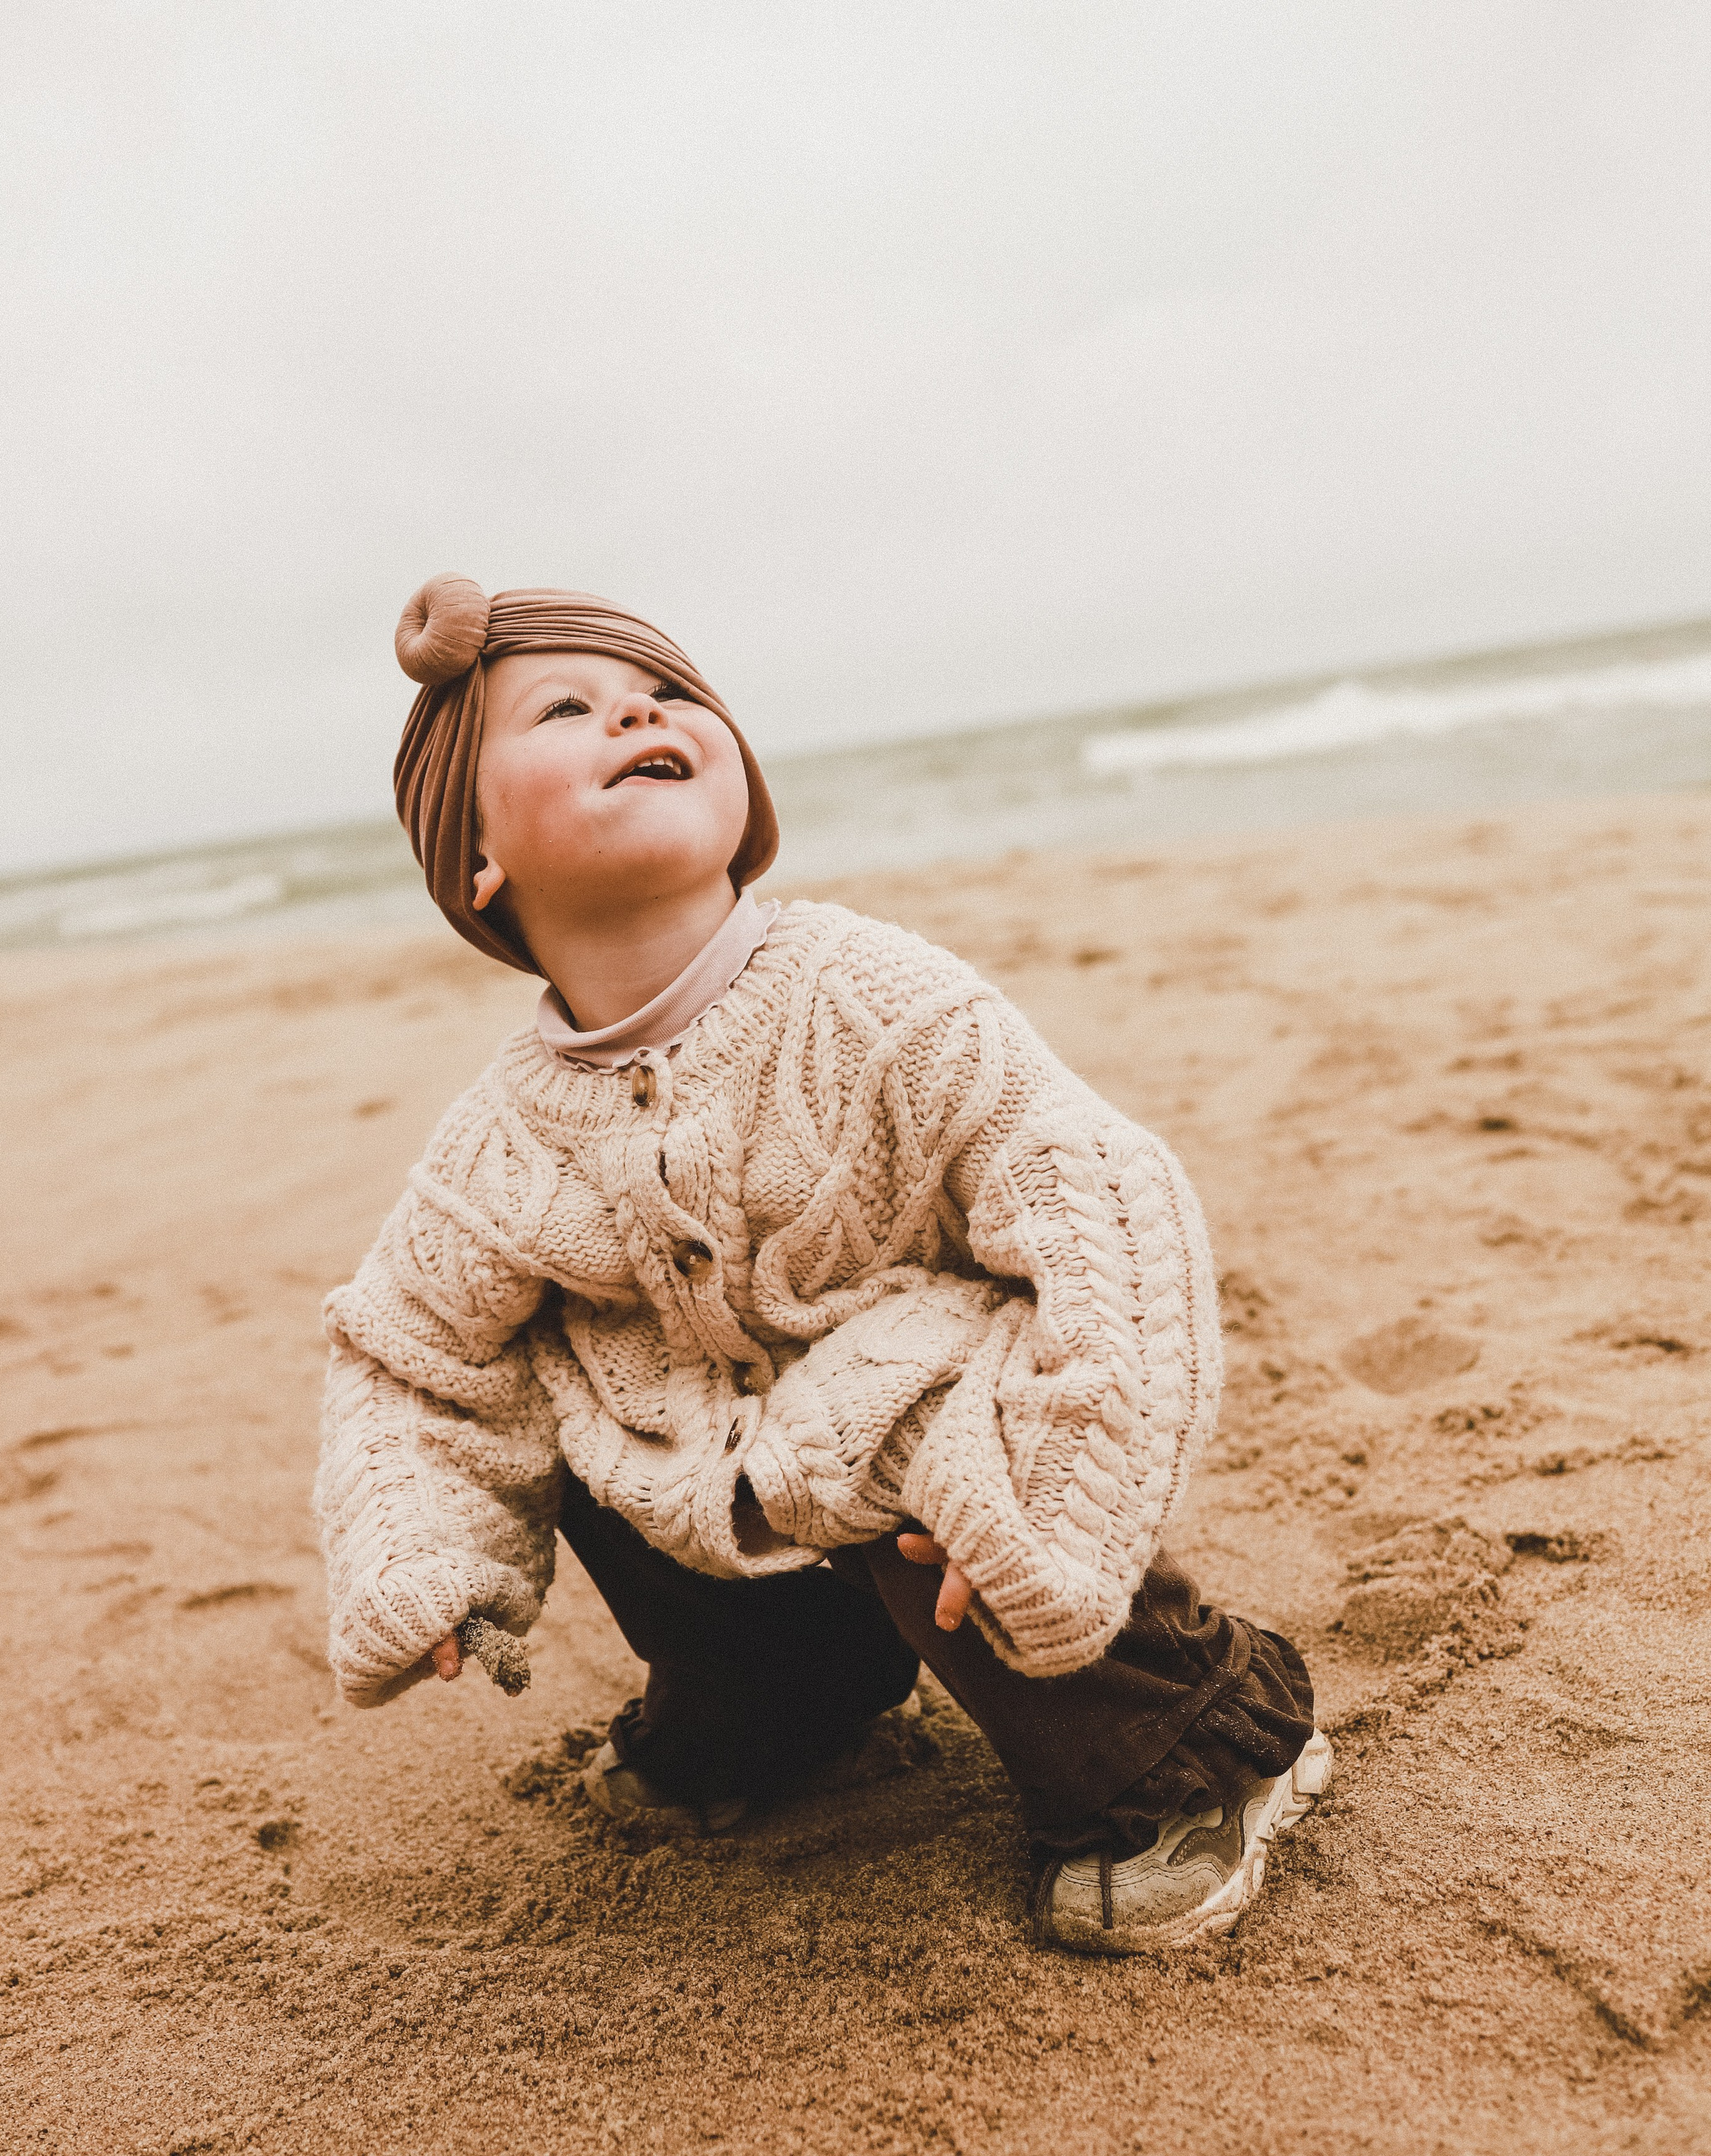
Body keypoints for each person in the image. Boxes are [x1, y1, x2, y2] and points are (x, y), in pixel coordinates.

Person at [313, 575, 1330, 1955]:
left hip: (953, 1440)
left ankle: (1198, 1739)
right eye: (568, 706)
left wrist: (1066, 1479)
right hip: (719, 1495)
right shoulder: (498, 1140)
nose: (637, 707)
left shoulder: (869, 997)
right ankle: (787, 1711)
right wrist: (425, 1552)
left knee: (921, 1460)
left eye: (668, 694)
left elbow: (1093, 1194)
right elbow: (413, 1353)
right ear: (477, 862)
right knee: (592, 1407)